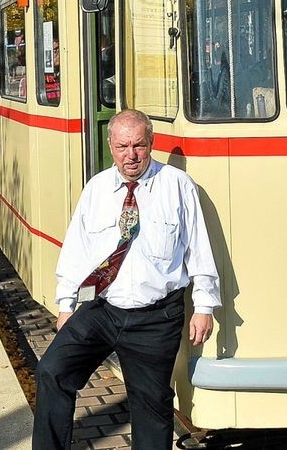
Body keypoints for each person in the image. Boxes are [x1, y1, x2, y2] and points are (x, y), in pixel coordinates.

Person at [33, 109, 220, 450]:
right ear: (110, 145)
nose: (130, 155)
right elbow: (77, 249)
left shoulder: (177, 186)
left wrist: (204, 305)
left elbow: (198, 248)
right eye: (122, 146)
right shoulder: (97, 188)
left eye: (138, 146)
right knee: (52, 371)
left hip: (155, 318)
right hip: (101, 309)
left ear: (151, 143)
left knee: (152, 407)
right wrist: (66, 304)